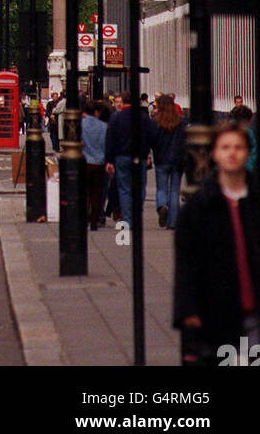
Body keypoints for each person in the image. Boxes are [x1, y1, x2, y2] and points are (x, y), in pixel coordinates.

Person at [174, 121, 260, 364]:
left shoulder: (254, 200)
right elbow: (186, 263)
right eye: (225, 147)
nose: (232, 153)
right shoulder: (198, 207)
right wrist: (188, 309)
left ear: (247, 152)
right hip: (216, 312)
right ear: (213, 153)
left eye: (238, 147)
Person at [104, 89, 158, 227]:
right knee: (139, 187)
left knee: (124, 189)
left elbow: (110, 139)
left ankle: (128, 218)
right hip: (139, 157)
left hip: (121, 157)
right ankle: (137, 213)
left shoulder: (116, 118)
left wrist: (109, 160)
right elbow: (152, 136)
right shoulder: (143, 117)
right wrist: (148, 154)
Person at [152, 93, 186, 230]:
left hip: (161, 159)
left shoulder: (156, 122)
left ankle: (161, 206)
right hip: (177, 160)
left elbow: (153, 141)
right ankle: (173, 222)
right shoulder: (181, 122)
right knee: (174, 191)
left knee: (161, 188)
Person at [81, 100, 108, 230]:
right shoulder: (103, 126)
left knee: (84, 191)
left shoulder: (80, 124)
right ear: (96, 112)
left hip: (84, 162)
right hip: (99, 163)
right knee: (97, 193)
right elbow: (106, 146)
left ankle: (84, 216)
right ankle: (94, 220)